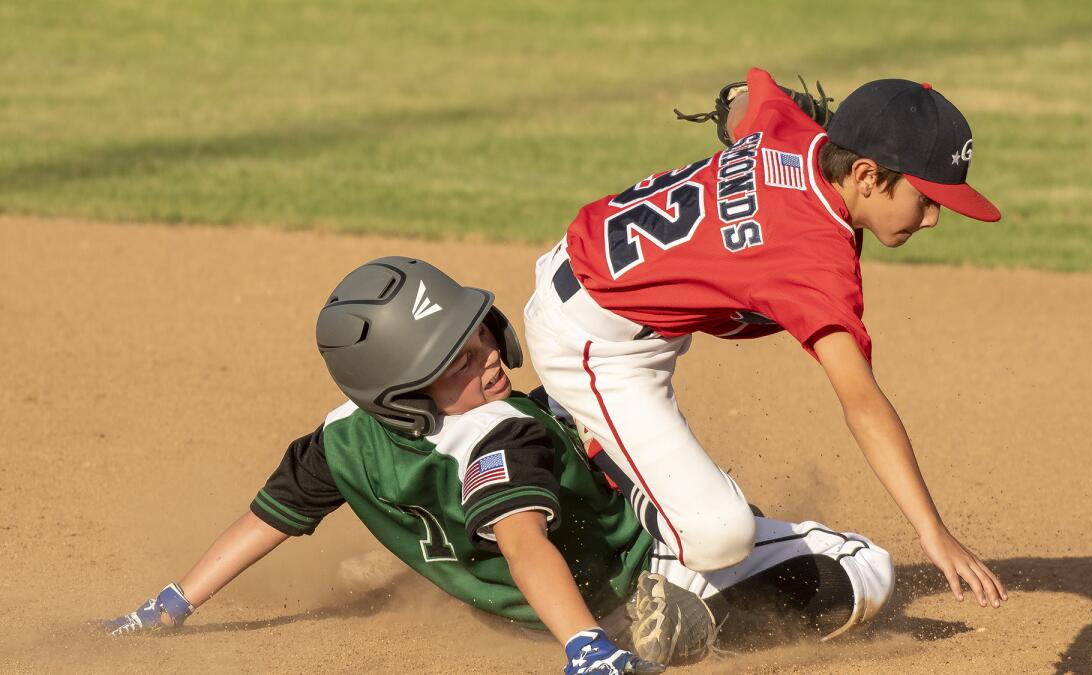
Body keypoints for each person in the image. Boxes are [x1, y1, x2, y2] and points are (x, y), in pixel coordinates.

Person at [101, 257, 895, 674]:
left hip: (538, 594)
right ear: (402, 395)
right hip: (625, 578)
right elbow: (520, 541)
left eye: (478, 334)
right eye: (453, 361)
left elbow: (264, 520)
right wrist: (586, 649)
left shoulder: (341, 437)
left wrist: (169, 604)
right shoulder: (501, 436)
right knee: (865, 572)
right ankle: (698, 613)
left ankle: (678, 613)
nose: (483, 358)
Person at [522, 68, 1009, 610]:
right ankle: (578, 434)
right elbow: (863, 403)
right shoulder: (812, 260)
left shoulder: (795, 132)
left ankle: (601, 438)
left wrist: (758, 138)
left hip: (591, 271)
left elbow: (744, 98)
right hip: (594, 349)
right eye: (925, 198)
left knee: (752, 306)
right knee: (718, 538)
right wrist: (931, 530)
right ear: (867, 176)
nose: (934, 217)